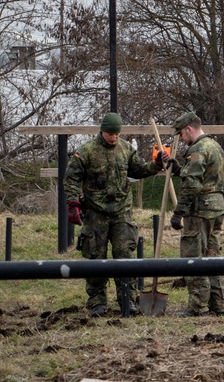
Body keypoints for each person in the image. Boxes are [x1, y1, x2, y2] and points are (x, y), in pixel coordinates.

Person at [65, 112, 165, 317]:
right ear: (102, 131)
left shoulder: (126, 149)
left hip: (121, 212)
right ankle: (97, 303)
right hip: (95, 212)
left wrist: (156, 165)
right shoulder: (86, 152)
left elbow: (138, 170)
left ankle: (127, 300)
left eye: (117, 134)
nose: (113, 138)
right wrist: (73, 204)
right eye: (110, 134)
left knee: (125, 256)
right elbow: (71, 178)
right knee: (95, 257)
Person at [169, 111, 224, 316]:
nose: (181, 139)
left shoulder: (196, 149)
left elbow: (193, 184)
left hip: (200, 210)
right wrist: (179, 170)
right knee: (213, 256)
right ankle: (220, 304)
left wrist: (179, 211)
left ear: (189, 129)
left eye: (181, 134)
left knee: (193, 257)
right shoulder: (215, 146)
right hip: (216, 207)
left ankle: (197, 307)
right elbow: (206, 176)